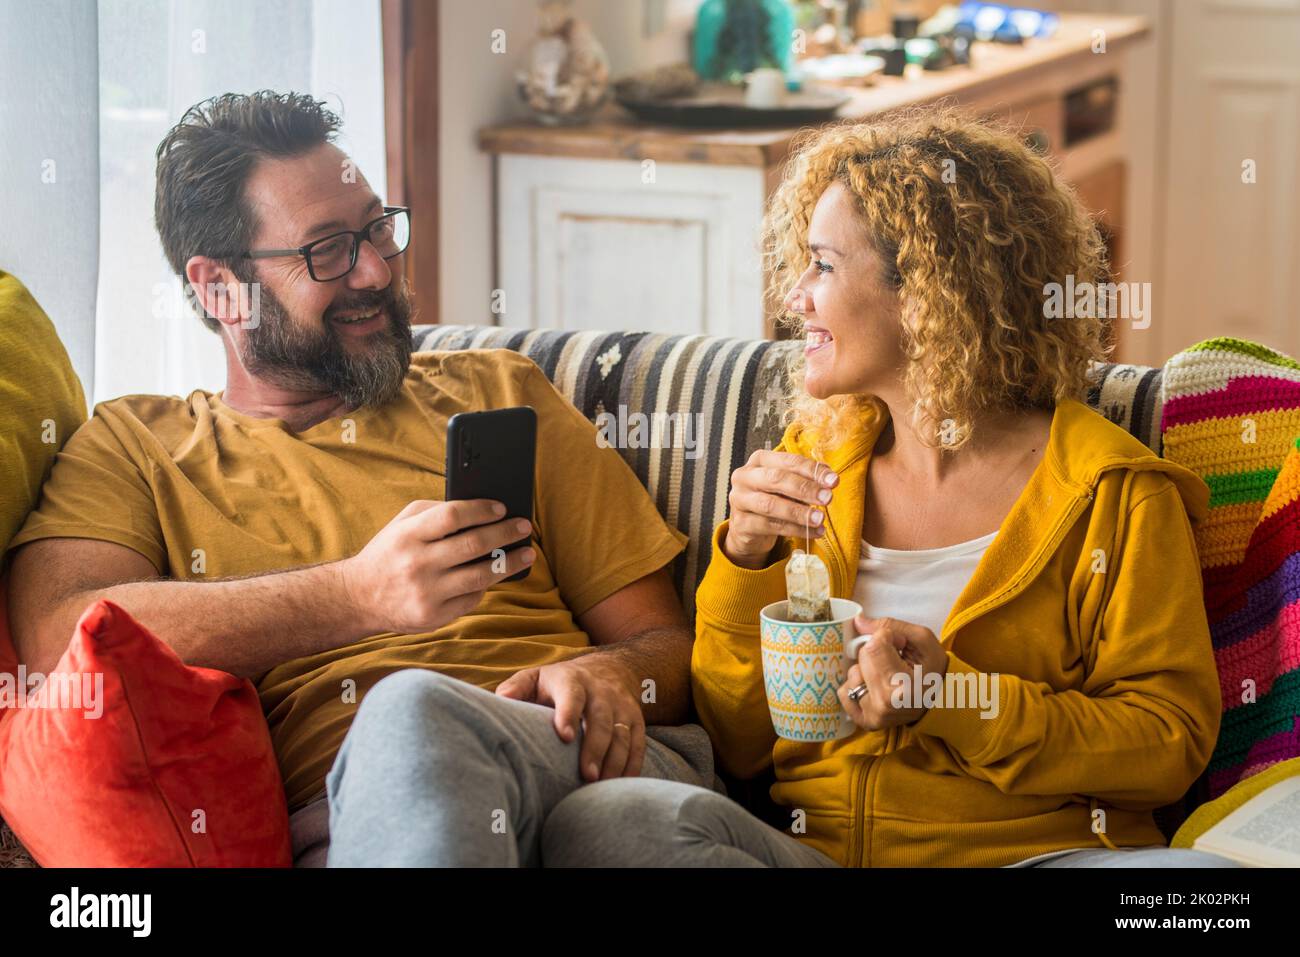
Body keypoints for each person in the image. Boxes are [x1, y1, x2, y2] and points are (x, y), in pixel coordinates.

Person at [4, 91, 715, 867]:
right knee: (500, 771)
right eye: (329, 250)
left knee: (492, 752)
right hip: (363, 829)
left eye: (378, 229)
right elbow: (61, 642)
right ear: (217, 288)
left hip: (583, 760)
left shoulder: (500, 391)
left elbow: (668, 645)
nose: (376, 270)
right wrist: (354, 594)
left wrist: (612, 670)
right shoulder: (134, 445)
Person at [540, 109, 1239, 868]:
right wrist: (744, 564)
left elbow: (1166, 744)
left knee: (1201, 890)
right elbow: (740, 747)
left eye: (823, 266)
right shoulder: (812, 469)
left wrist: (954, 701)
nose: (794, 298)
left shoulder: (1115, 494)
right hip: (819, 854)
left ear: (927, 293)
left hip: (1038, 857)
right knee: (611, 820)